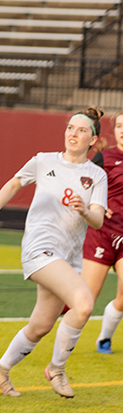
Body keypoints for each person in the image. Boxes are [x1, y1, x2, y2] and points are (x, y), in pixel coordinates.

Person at [0, 107, 107, 399]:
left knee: (41, 326)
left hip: (67, 258)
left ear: (93, 140)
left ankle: (1, 368)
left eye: (82, 130)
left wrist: (85, 210)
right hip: (39, 249)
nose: (73, 134)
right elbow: (13, 184)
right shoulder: (44, 160)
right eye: (70, 127)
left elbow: (98, 219)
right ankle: (56, 369)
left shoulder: (96, 175)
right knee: (83, 304)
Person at [79, 111, 123, 354]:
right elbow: (82, 186)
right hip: (102, 235)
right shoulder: (103, 158)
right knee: (84, 301)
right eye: (119, 126)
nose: (122, 131)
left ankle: (104, 338)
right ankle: (58, 351)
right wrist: (97, 206)